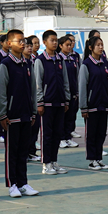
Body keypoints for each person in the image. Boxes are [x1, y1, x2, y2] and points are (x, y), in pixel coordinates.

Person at [0, 29, 39, 198]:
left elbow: (33, 89)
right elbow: (1, 91)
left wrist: (33, 111)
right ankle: (12, 183)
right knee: (12, 152)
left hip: (27, 114)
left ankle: (23, 182)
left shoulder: (28, 63)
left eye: (24, 41)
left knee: (23, 151)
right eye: (19, 41)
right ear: (9, 43)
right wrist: (2, 115)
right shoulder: (6, 64)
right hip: (12, 116)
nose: (22, 44)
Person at [34, 29, 71, 175]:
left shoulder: (60, 59)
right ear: (45, 42)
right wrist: (40, 102)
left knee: (57, 133)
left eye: (56, 40)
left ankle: (54, 161)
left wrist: (66, 99)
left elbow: (65, 81)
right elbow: (38, 83)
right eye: (52, 40)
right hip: (47, 104)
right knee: (47, 134)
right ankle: (46, 163)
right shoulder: (40, 60)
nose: (55, 43)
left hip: (60, 103)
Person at [79, 36, 108, 171]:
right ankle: (92, 160)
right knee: (91, 134)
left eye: (102, 44)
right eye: (97, 45)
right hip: (91, 106)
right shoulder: (86, 65)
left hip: (103, 105)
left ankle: (99, 158)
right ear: (91, 48)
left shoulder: (105, 63)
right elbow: (82, 86)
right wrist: (84, 107)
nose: (100, 47)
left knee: (101, 133)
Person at [59, 35, 81, 149]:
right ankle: (61, 138)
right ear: (60, 46)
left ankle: (68, 137)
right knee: (63, 116)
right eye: (67, 45)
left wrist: (77, 91)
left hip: (73, 92)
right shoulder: (59, 59)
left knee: (71, 116)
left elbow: (77, 75)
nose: (69, 46)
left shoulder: (73, 58)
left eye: (71, 44)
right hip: (63, 94)